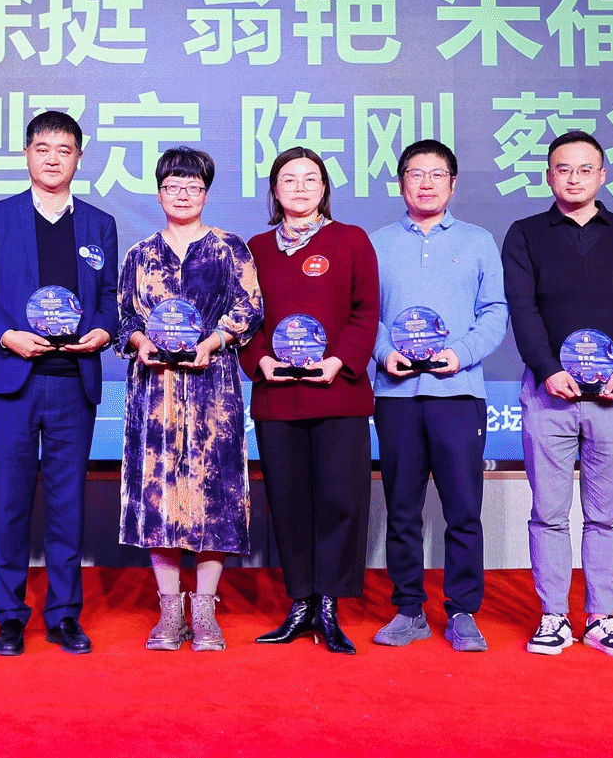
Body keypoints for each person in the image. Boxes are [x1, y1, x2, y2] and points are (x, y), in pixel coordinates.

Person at [0, 111, 119, 656]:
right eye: (43, 148)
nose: (53, 158)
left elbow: (109, 298)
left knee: (67, 503)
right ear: (27, 154)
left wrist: (103, 330)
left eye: (64, 150)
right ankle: (9, 615)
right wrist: (7, 336)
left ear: (80, 158)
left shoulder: (99, 223)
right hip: (14, 381)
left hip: (74, 382)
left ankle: (64, 614)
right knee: (10, 502)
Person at [502, 131, 613, 658]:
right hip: (549, 396)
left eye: (585, 169)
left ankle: (601, 618)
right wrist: (548, 370)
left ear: (603, 175)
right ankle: (553, 615)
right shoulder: (526, 234)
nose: (573, 178)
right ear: (549, 175)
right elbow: (522, 310)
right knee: (548, 512)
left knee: (606, 514)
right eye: (563, 169)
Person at [117, 147, 263, 652]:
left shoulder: (229, 248)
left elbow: (249, 307)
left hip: (212, 392)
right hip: (154, 391)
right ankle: (168, 612)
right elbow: (124, 319)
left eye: (193, 187)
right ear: (159, 193)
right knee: (158, 495)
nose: (183, 195)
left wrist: (214, 341)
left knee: (213, 495)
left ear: (206, 193)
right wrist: (141, 342)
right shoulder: (140, 254)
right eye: (173, 186)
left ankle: (204, 612)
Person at [239, 146, 379, 655]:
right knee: (289, 502)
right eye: (289, 179)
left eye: (310, 179)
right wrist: (260, 361)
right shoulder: (256, 248)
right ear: (275, 191)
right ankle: (300, 601)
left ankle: (330, 607)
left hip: (338, 392)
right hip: (279, 396)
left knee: (341, 500)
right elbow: (245, 317)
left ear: (324, 188)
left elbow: (366, 311)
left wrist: (339, 361)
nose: (300, 188)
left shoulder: (351, 239)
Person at [370, 140, 508, 652]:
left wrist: (462, 353)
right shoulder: (376, 243)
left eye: (436, 174)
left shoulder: (477, 241)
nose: (426, 183)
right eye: (415, 173)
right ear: (400, 182)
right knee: (402, 508)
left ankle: (463, 610)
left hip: (459, 392)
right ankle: (408, 608)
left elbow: (495, 310)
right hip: (396, 395)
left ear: (453, 183)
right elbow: (364, 314)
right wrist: (384, 352)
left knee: (463, 508)